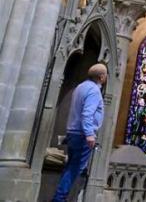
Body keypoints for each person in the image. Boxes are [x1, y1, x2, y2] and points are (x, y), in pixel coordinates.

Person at [52, 63, 107, 202]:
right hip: (82, 134)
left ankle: (61, 197)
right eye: (105, 75)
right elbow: (87, 113)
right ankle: (59, 199)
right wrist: (89, 134)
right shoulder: (94, 90)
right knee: (75, 169)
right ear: (101, 76)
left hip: (73, 132)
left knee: (72, 166)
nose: (106, 77)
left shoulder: (80, 87)